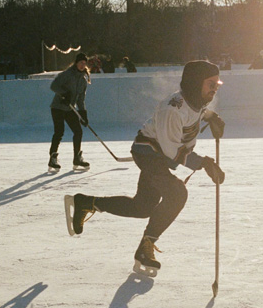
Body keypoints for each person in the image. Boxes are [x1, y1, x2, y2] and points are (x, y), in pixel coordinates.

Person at [63, 60, 226, 277]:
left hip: (159, 155)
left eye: (217, 84)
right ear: (196, 83)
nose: (214, 89)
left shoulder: (196, 100)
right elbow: (172, 153)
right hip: (148, 153)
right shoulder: (172, 109)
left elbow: (196, 113)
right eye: (210, 84)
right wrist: (204, 163)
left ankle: (86, 202)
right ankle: (145, 248)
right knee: (177, 193)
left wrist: (211, 117)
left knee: (142, 207)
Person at [48, 52, 91, 172]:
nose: (82, 65)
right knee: (59, 132)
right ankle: (52, 158)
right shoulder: (67, 74)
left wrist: (83, 114)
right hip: (58, 107)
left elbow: (81, 99)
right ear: (76, 63)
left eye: (84, 63)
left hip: (69, 108)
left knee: (78, 131)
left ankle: (77, 158)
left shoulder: (83, 80)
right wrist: (64, 94)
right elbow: (53, 86)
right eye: (80, 63)